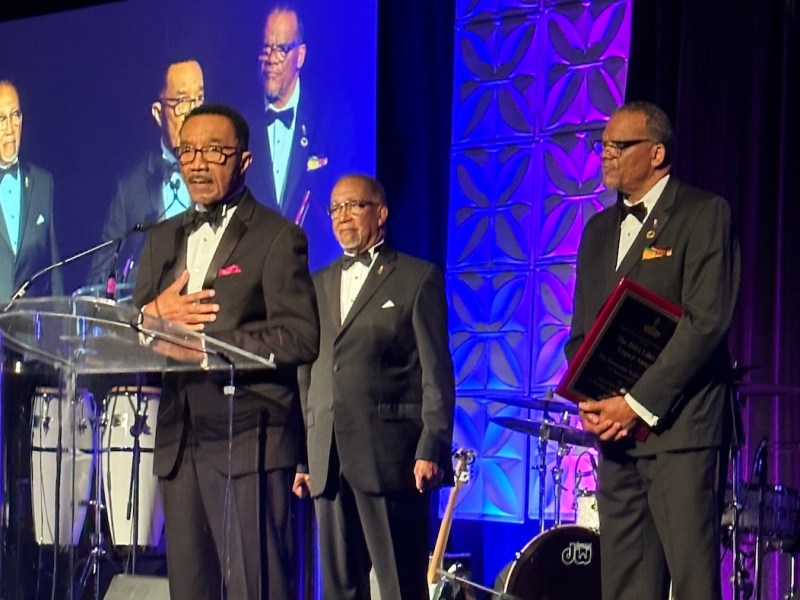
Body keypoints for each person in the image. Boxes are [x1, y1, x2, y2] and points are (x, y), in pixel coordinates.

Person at [133, 103, 319, 599]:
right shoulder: (160, 239)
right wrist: (150, 316)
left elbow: (301, 335)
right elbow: (136, 327)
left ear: (244, 160)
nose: (197, 163)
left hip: (249, 442)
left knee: (257, 588)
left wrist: (209, 350)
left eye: (214, 151)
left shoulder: (278, 237)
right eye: (188, 151)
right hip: (179, 441)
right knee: (190, 589)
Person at [565, 101, 740, 600]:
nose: (606, 154)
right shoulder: (597, 230)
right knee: (625, 585)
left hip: (681, 434)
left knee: (692, 583)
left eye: (619, 146)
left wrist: (636, 404)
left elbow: (705, 323)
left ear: (657, 153)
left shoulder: (704, 214)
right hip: (616, 441)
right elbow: (582, 333)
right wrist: (591, 399)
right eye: (602, 145)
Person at [293, 174, 455, 600]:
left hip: (391, 458)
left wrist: (432, 446)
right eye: (335, 208)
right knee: (339, 588)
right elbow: (307, 373)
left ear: (381, 213)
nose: (341, 216)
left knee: (399, 586)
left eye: (353, 205)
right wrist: (303, 456)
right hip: (327, 457)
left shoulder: (417, 278)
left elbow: (436, 371)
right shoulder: (317, 283)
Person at [248, 2, 352, 271]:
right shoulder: (241, 122)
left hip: (315, 274)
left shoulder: (331, 119)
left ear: (300, 56)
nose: (271, 59)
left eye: (281, 49)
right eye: (266, 48)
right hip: (255, 278)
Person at [85, 58, 204, 288]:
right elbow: (98, 282)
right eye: (181, 102)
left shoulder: (223, 176)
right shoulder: (130, 189)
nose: (193, 114)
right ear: (158, 113)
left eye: (198, 99)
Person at [0, 80, 62, 301]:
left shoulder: (43, 184)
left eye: (15, 115)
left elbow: (54, 269)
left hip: (31, 320)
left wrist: (59, 318)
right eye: (1, 119)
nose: (10, 129)